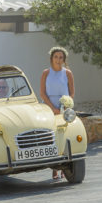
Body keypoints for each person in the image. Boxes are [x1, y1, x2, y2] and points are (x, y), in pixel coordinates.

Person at [40, 46, 75, 180]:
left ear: (64, 60)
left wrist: (66, 106)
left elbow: (71, 92)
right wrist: (53, 108)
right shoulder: (45, 73)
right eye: (56, 57)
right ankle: (54, 169)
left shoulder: (68, 73)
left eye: (61, 58)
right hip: (49, 107)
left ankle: (65, 168)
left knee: (66, 137)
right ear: (51, 58)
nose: (58, 60)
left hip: (64, 109)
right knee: (52, 138)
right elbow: (42, 92)